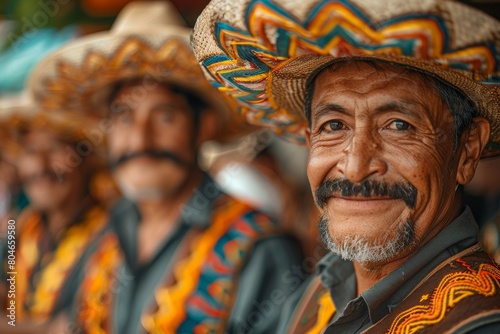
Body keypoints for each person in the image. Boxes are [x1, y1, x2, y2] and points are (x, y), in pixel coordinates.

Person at [190, 0, 500, 332]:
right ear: (310, 141)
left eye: (398, 126)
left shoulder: (479, 322)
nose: (354, 169)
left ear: (467, 151)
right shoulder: (322, 288)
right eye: (334, 126)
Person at [28, 2, 304, 333]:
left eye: (165, 117)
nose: (140, 140)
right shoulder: (105, 235)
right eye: (124, 117)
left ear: (204, 127)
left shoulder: (259, 249)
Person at [0, 104, 109, 333]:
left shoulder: (110, 235)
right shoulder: (20, 226)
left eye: (55, 148)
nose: (40, 166)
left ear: (87, 158)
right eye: (29, 151)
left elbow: (70, 327)